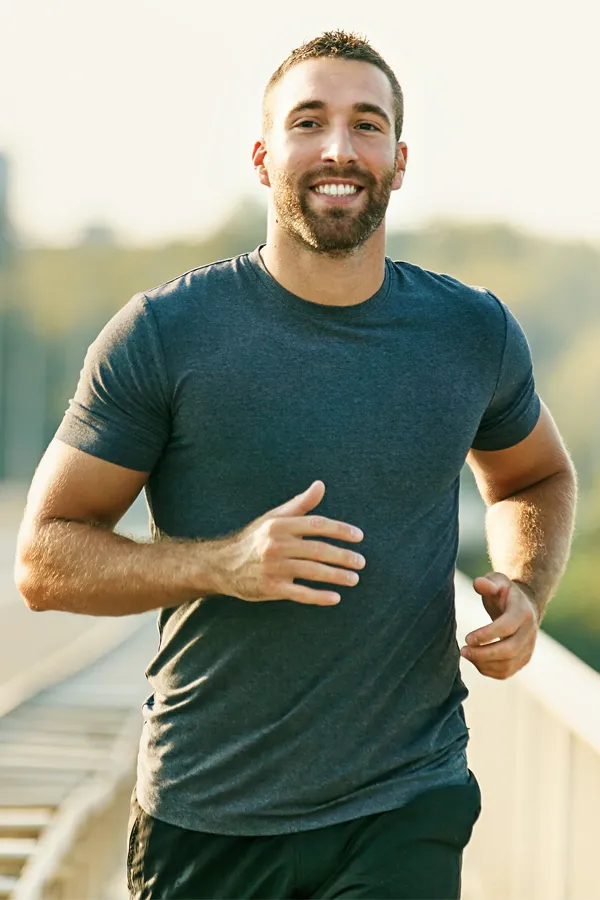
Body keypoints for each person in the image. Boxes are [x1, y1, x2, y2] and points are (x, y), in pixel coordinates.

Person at [15, 30, 577, 900]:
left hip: (407, 801)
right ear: (264, 154)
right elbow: (44, 559)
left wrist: (527, 592)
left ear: (399, 157)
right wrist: (223, 564)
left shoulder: (472, 333)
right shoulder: (165, 334)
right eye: (309, 122)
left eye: (366, 124)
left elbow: (535, 475)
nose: (338, 148)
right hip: (211, 812)